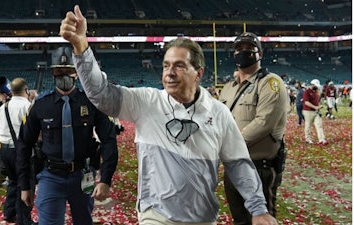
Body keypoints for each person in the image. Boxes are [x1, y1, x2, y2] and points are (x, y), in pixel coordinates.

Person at [60, 5, 277, 225]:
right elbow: (101, 94)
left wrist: (258, 208)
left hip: (202, 218)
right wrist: (81, 47)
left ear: (198, 73)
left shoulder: (218, 113)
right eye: (166, 66)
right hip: (155, 215)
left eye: (179, 66)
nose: (169, 73)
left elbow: (239, 164)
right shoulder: (147, 102)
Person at [16, 46, 118, 225]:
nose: (64, 75)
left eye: (69, 71)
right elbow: (24, 144)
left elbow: (109, 139)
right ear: (52, 73)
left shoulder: (91, 103)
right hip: (50, 176)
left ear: (77, 73)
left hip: (83, 175)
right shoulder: (40, 106)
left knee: (84, 221)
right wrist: (25, 185)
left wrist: (106, 178)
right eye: (59, 71)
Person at [218, 32, 289, 224]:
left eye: (249, 48)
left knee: (261, 220)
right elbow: (219, 120)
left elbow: (263, 123)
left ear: (260, 53)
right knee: (240, 220)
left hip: (259, 166)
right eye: (239, 49)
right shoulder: (229, 87)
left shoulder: (270, 83)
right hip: (233, 166)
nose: (244, 52)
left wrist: (229, 144)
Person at [0, 78, 36, 225]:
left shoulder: (3, 107)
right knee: (25, 184)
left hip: (4, 150)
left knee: (13, 181)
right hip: (20, 151)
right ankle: (24, 220)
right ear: (26, 90)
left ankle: (9, 213)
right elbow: (33, 132)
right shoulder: (28, 106)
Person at [302, 79, 328, 145]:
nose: (317, 87)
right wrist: (315, 107)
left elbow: (316, 101)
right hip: (308, 111)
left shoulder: (315, 92)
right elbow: (306, 102)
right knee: (308, 125)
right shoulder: (307, 92)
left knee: (319, 125)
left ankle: (322, 139)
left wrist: (318, 106)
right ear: (312, 84)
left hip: (316, 111)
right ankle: (308, 139)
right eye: (316, 85)